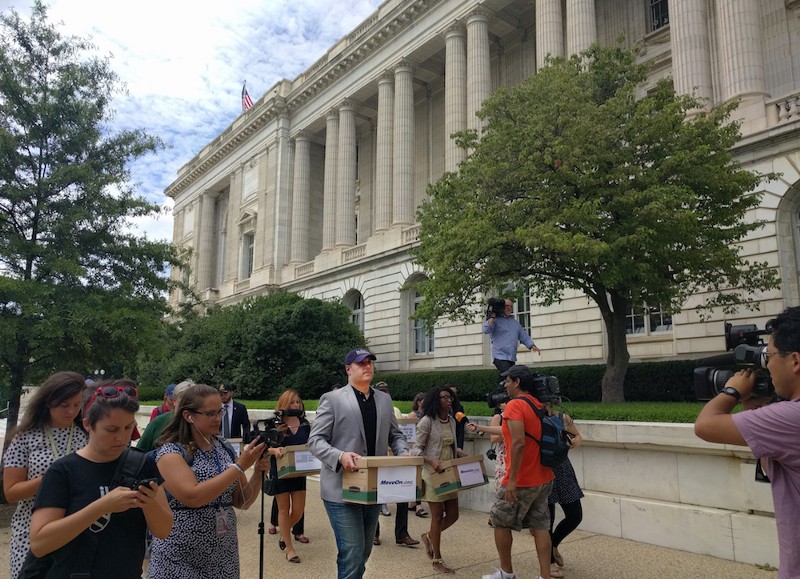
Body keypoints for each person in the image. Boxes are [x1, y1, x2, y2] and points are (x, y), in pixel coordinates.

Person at [26, 380, 173, 578]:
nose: (121, 438)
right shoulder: (63, 471)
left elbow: (163, 531)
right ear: (88, 424)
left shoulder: (142, 464)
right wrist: (101, 507)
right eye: (111, 430)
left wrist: (149, 504)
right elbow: (40, 544)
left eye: (129, 427)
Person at [695, 306, 800, 579]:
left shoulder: (791, 417)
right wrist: (753, 405)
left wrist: (732, 390)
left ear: (796, 361)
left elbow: (705, 426)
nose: (769, 364)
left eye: (770, 356)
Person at [308, 347, 409, 579]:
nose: (367, 366)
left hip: (374, 488)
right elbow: (315, 441)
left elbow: (396, 435)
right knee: (352, 551)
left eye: (369, 362)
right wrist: (340, 456)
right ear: (348, 369)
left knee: (363, 551)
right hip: (340, 489)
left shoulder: (384, 399)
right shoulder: (332, 399)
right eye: (361, 363)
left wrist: (403, 452)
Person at [147, 384, 267, 579]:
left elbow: (242, 501)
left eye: (219, 412)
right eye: (210, 414)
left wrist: (258, 474)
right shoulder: (170, 452)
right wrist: (238, 467)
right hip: (180, 557)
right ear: (188, 416)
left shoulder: (223, 447)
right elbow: (192, 497)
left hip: (223, 556)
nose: (218, 419)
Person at [3, 371, 89, 579]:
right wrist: (52, 478)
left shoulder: (87, 436)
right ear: (49, 402)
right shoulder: (25, 438)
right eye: (64, 405)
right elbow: (11, 493)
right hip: (31, 530)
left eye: (77, 404)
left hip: (75, 530)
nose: (71, 411)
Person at [482, 365, 554, 579]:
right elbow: (515, 433)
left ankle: (506, 573)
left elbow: (519, 443)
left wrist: (511, 480)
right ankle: (544, 576)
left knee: (500, 521)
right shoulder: (537, 404)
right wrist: (481, 428)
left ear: (517, 382)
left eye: (507, 381)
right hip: (543, 476)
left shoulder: (514, 405)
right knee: (541, 526)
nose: (505, 385)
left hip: (522, 478)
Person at [412, 386, 462, 574]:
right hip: (432, 473)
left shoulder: (451, 421)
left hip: (449, 472)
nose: (449, 400)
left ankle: (429, 536)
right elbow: (416, 449)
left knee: (454, 514)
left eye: (450, 397)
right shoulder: (426, 422)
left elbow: (449, 444)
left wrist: (459, 452)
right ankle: (437, 559)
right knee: (437, 515)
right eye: (444, 398)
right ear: (436, 400)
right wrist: (432, 461)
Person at [263, 389, 311, 564]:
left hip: (299, 471)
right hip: (281, 472)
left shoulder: (304, 423)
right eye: (292, 402)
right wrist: (274, 450)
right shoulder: (275, 423)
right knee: (283, 509)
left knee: (298, 511)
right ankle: (290, 549)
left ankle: (284, 534)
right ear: (284, 403)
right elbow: (262, 446)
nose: (296, 405)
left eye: (298, 402)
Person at [372, 382, 419, 548]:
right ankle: (374, 533)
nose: (386, 395)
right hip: (377, 460)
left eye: (387, 392)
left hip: (396, 458)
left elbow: (397, 433)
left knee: (403, 495)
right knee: (375, 497)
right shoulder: (368, 410)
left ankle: (402, 534)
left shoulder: (392, 409)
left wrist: (403, 450)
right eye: (382, 392)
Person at [540, 398, 583, 579]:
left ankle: (554, 544)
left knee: (575, 515)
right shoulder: (534, 418)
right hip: (543, 470)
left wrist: (574, 442)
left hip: (563, 468)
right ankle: (549, 562)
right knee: (547, 520)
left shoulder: (562, 417)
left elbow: (578, 436)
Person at [482, 299, 540, 375]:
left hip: (511, 357)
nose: (509, 308)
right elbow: (486, 330)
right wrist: (492, 317)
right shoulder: (495, 321)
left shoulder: (515, 323)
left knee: (508, 379)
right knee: (511, 376)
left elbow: (524, 336)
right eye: (506, 306)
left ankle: (502, 386)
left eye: (511, 306)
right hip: (500, 357)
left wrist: (532, 345)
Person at [136, 379, 195, 453]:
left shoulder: (199, 423)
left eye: (191, 403)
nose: (186, 406)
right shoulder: (158, 422)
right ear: (174, 400)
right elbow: (139, 452)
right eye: (183, 401)